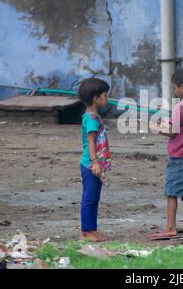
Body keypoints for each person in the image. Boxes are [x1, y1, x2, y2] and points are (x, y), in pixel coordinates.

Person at [150, 68, 183, 238]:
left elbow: (173, 131)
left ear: (182, 88)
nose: (174, 91)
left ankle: (170, 227)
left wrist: (158, 128)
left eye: (174, 88)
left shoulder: (181, 106)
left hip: (179, 157)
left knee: (172, 192)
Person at [77, 78, 112, 242]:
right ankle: (86, 231)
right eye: (105, 95)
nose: (107, 99)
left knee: (94, 198)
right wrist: (95, 162)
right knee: (89, 198)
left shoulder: (93, 116)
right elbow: (91, 141)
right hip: (90, 165)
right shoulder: (91, 118)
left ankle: (92, 229)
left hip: (94, 165)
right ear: (95, 99)